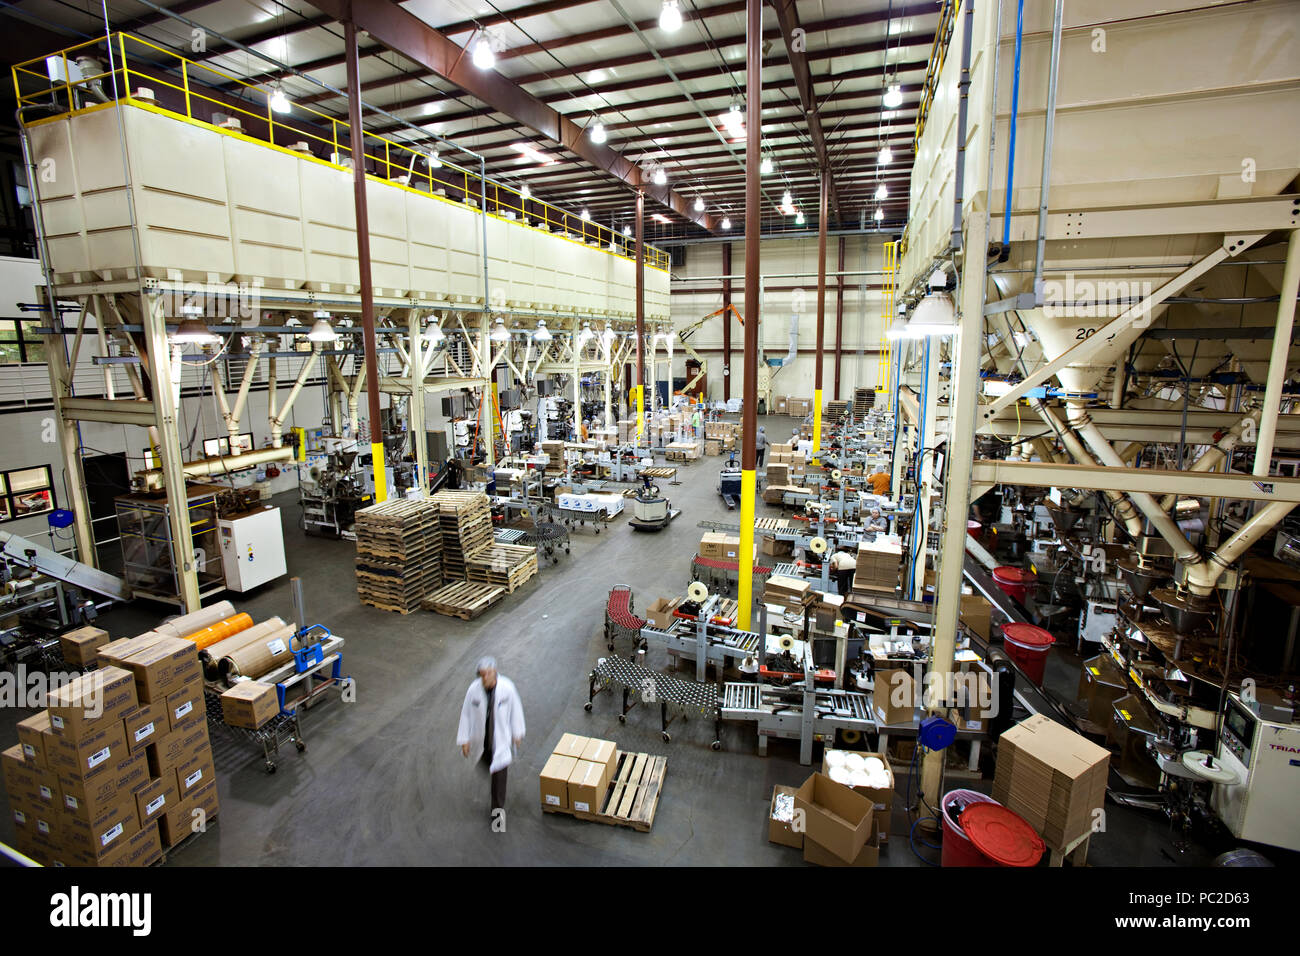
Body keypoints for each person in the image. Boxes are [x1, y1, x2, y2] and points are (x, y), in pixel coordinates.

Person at [457, 657, 526, 818]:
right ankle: (488, 762)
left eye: (488, 674)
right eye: (481, 675)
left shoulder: (507, 688)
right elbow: (466, 714)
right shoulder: (473, 690)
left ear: (495, 672)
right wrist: (464, 740)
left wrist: (517, 733)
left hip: (501, 739)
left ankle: (497, 813)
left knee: (499, 775)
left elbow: (516, 710)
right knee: (486, 763)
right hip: (483, 738)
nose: (485, 678)